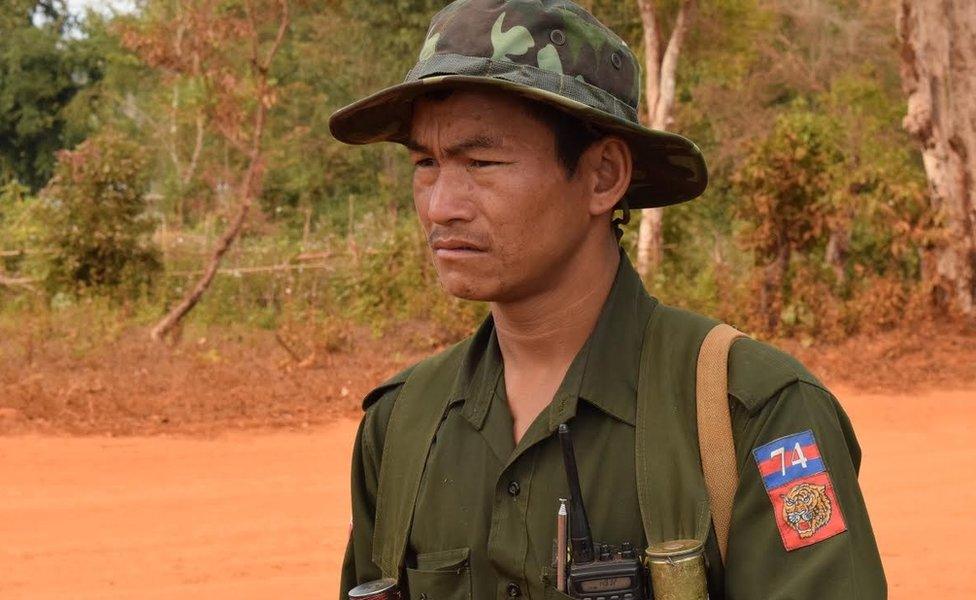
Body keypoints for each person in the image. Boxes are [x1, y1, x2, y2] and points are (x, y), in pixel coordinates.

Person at [330, 1, 886, 598]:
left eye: (481, 161)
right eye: (425, 163)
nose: (441, 205)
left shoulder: (752, 414)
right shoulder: (400, 429)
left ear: (602, 177)